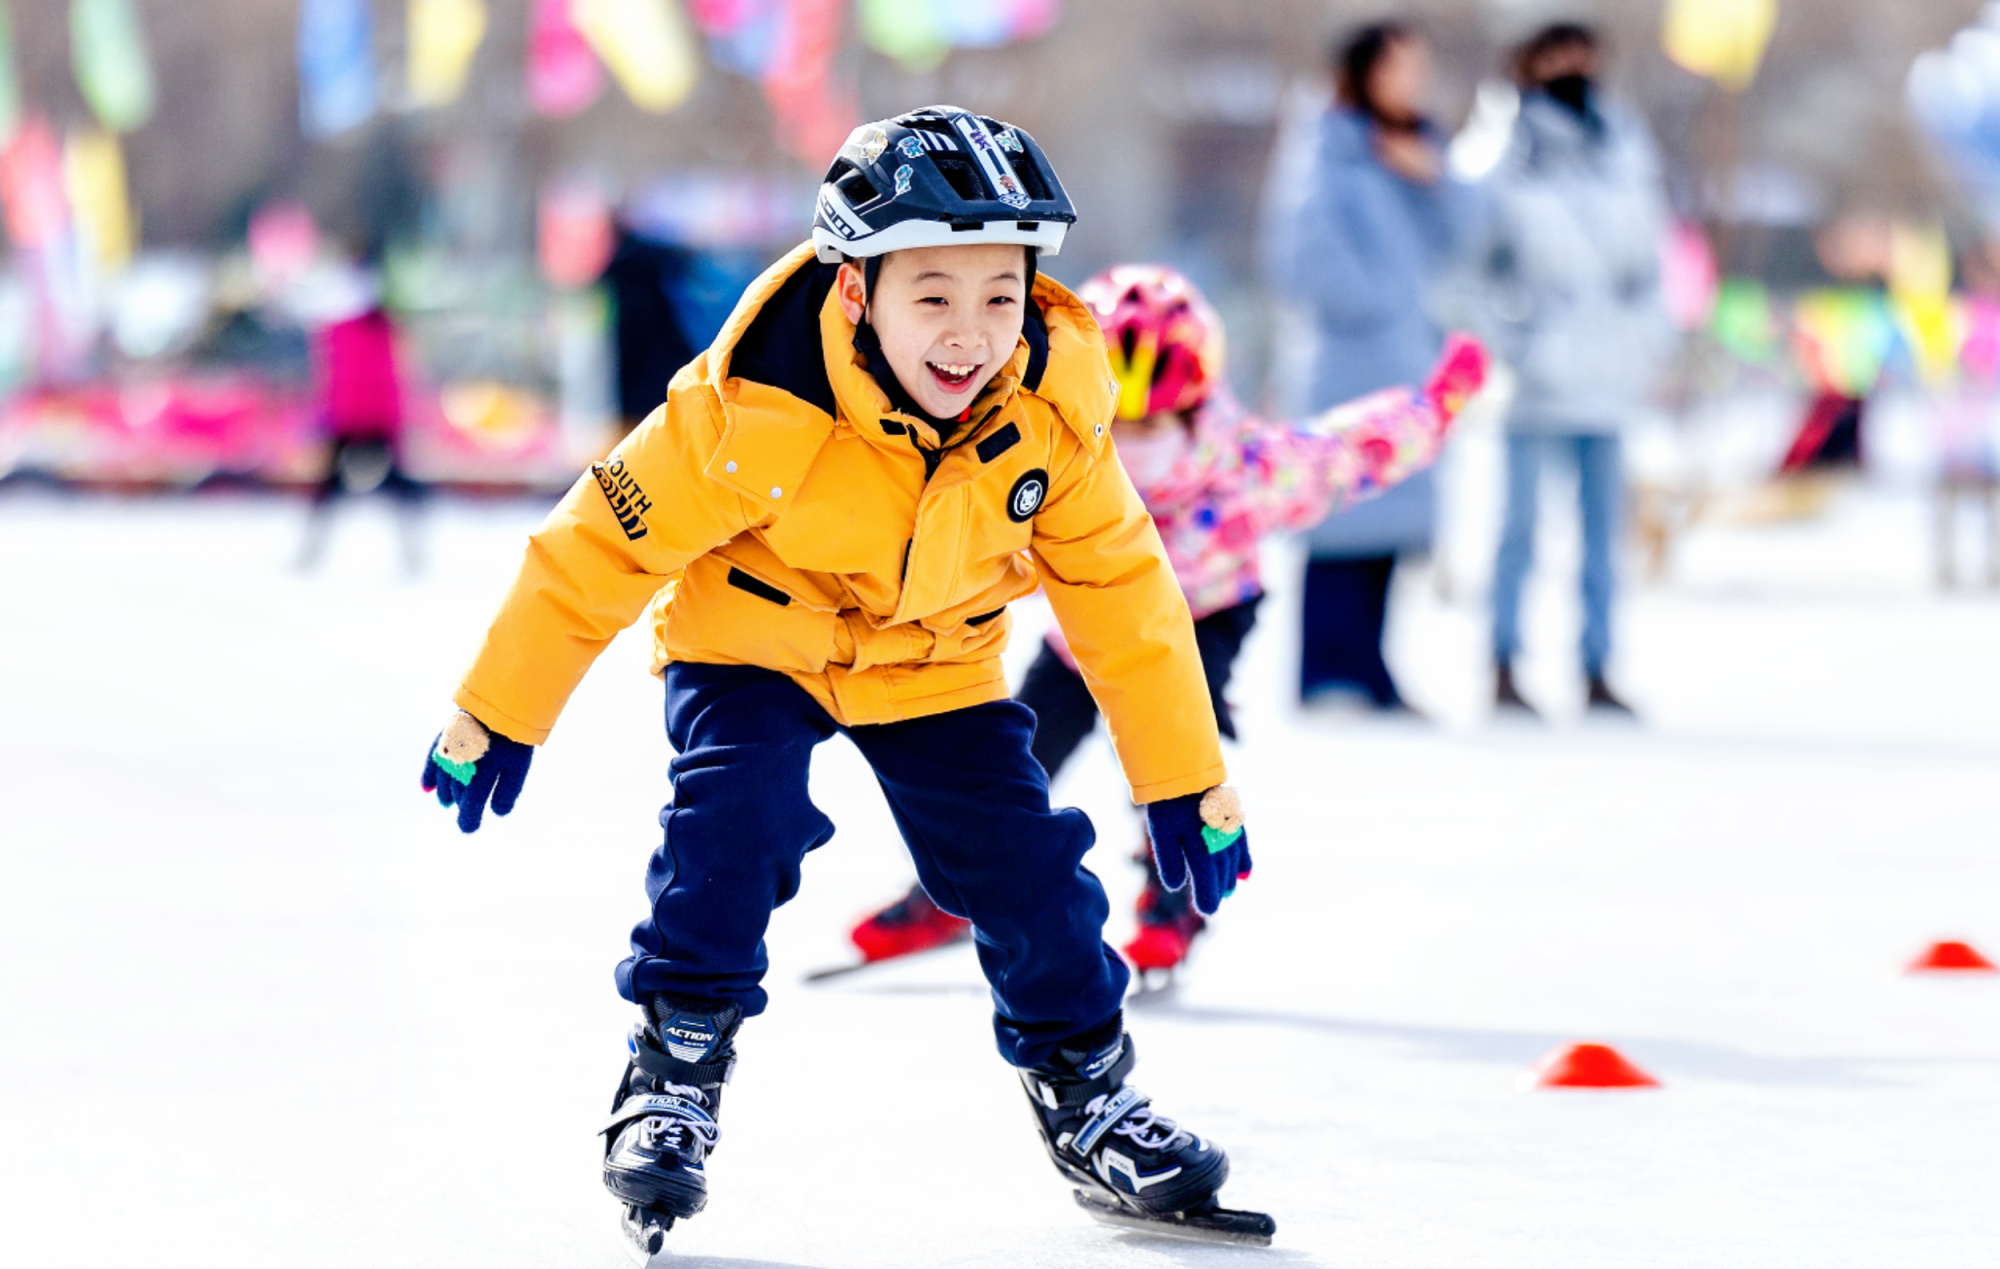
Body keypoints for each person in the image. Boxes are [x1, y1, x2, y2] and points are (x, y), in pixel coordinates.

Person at [416, 108, 1274, 1253]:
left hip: (934, 660)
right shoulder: (747, 404)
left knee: (1028, 871)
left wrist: (1183, 780)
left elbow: (1127, 600)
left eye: (998, 297)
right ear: (857, 290)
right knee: (736, 824)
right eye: (932, 297)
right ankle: (671, 1075)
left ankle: (1090, 1097)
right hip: (754, 644)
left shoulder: (1048, 416)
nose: (970, 336)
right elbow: (593, 552)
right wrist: (497, 710)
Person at [850, 266, 1487, 975]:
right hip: (1083, 631)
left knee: (1183, 747)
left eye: (1150, 426)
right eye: (1118, 423)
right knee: (1016, 755)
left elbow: (1344, 451)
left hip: (1203, 614)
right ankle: (952, 889)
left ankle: (1176, 893)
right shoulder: (1048, 456)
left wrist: (1434, 406)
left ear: (1192, 409)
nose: (1133, 446)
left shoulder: (1242, 467)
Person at [1266, 20, 1483, 712]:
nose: (1413, 84)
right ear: (1363, 72)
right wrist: (1383, 304)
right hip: (1347, 362)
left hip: (1407, 362)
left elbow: (1474, 236)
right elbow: (1302, 251)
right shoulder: (1325, 146)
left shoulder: (1422, 148)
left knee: (1391, 526)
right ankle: (1326, 669)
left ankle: (1371, 663)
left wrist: (1436, 177)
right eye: (1399, 69)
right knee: (1339, 517)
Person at [1479, 23, 1671, 718]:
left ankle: (1596, 664)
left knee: (1602, 533)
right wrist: (1522, 344)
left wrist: (1648, 338)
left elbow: (1652, 255)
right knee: (1520, 527)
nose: (1572, 66)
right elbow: (1471, 274)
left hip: (1612, 370)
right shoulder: (1501, 150)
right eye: (1555, 53)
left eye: (1583, 51)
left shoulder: (1624, 144)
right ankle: (1502, 660)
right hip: (1536, 380)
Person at [295, 273, 424, 573]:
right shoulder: (386, 330)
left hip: (349, 418)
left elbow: (328, 380)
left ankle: (310, 553)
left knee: (329, 489)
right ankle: (412, 552)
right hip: (381, 418)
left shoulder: (338, 332)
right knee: (398, 488)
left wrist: (318, 418)